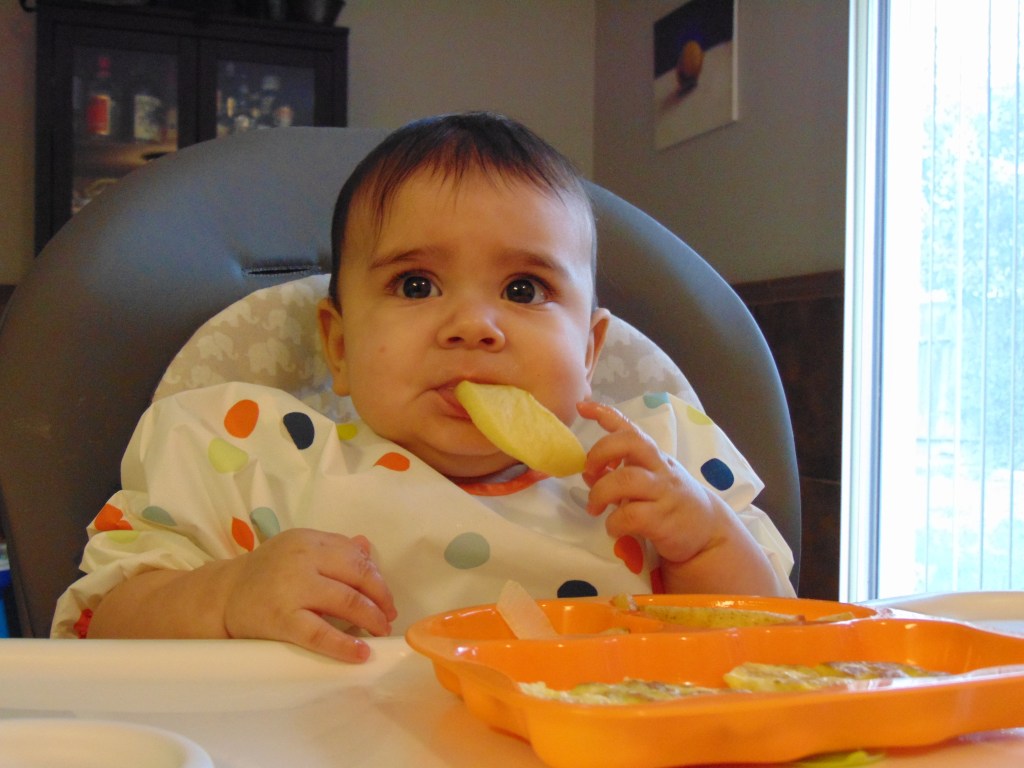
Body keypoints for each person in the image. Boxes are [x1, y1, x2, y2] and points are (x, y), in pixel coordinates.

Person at [51, 112, 794, 662]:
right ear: (340, 347)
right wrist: (228, 594)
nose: (473, 326)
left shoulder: (654, 467)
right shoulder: (253, 459)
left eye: (524, 289)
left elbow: (784, 648)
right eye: (416, 284)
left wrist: (704, 542)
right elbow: (99, 629)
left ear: (590, 352)